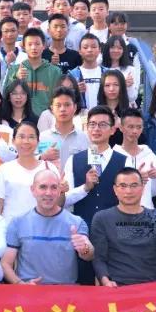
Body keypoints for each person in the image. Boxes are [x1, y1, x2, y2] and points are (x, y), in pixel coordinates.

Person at [62, 107, 128, 285]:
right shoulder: (74, 160)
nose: (96, 129)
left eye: (102, 125)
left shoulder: (124, 160)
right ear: (86, 128)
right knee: (84, 284)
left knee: (114, 284)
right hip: (82, 232)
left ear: (113, 129)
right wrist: (85, 187)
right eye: (92, 124)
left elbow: (130, 198)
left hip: (115, 233)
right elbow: (65, 199)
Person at [90, 167, 156, 287]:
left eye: (134, 185)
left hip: (150, 287)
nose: (128, 191)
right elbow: (99, 258)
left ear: (142, 188)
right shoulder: (102, 218)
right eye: (123, 186)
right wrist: (105, 281)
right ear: (115, 190)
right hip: (116, 287)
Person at [1, 170, 92, 285]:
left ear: (59, 191)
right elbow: (6, 263)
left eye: (54, 187)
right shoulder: (18, 222)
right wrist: (20, 284)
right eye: (43, 187)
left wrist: (84, 248)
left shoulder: (76, 222)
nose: (48, 193)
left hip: (65, 292)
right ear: (33, 190)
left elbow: (89, 254)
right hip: (30, 292)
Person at [0, 121, 60, 220]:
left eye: (31, 137)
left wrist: (62, 191)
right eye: (21, 137)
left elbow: (58, 203)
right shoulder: (4, 169)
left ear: (38, 142)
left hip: (42, 225)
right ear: (13, 141)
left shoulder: (50, 168)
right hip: (12, 227)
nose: (26, 141)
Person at [113, 108, 156, 210]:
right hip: (120, 213)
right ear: (121, 128)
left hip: (146, 212)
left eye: (139, 127)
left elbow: (155, 192)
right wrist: (135, 179)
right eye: (130, 127)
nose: (135, 131)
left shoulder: (149, 155)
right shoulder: (112, 156)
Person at [5, 27, 62, 116]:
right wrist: (16, 78)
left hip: (47, 118)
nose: (33, 47)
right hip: (21, 118)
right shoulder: (15, 69)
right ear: (24, 47)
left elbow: (60, 97)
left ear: (44, 46)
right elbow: (5, 94)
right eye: (30, 44)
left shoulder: (55, 71)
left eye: (37, 44)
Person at [38, 87, 90, 168]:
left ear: (75, 107)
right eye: (58, 105)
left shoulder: (85, 138)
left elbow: (91, 167)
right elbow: (31, 165)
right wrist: (42, 157)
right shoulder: (42, 137)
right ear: (52, 109)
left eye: (67, 105)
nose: (62, 109)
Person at [70, 33, 103, 109]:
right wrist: (74, 91)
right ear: (79, 51)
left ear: (99, 50)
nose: (89, 50)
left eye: (94, 47)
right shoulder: (72, 75)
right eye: (85, 47)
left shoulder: (107, 73)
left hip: (103, 114)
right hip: (80, 115)